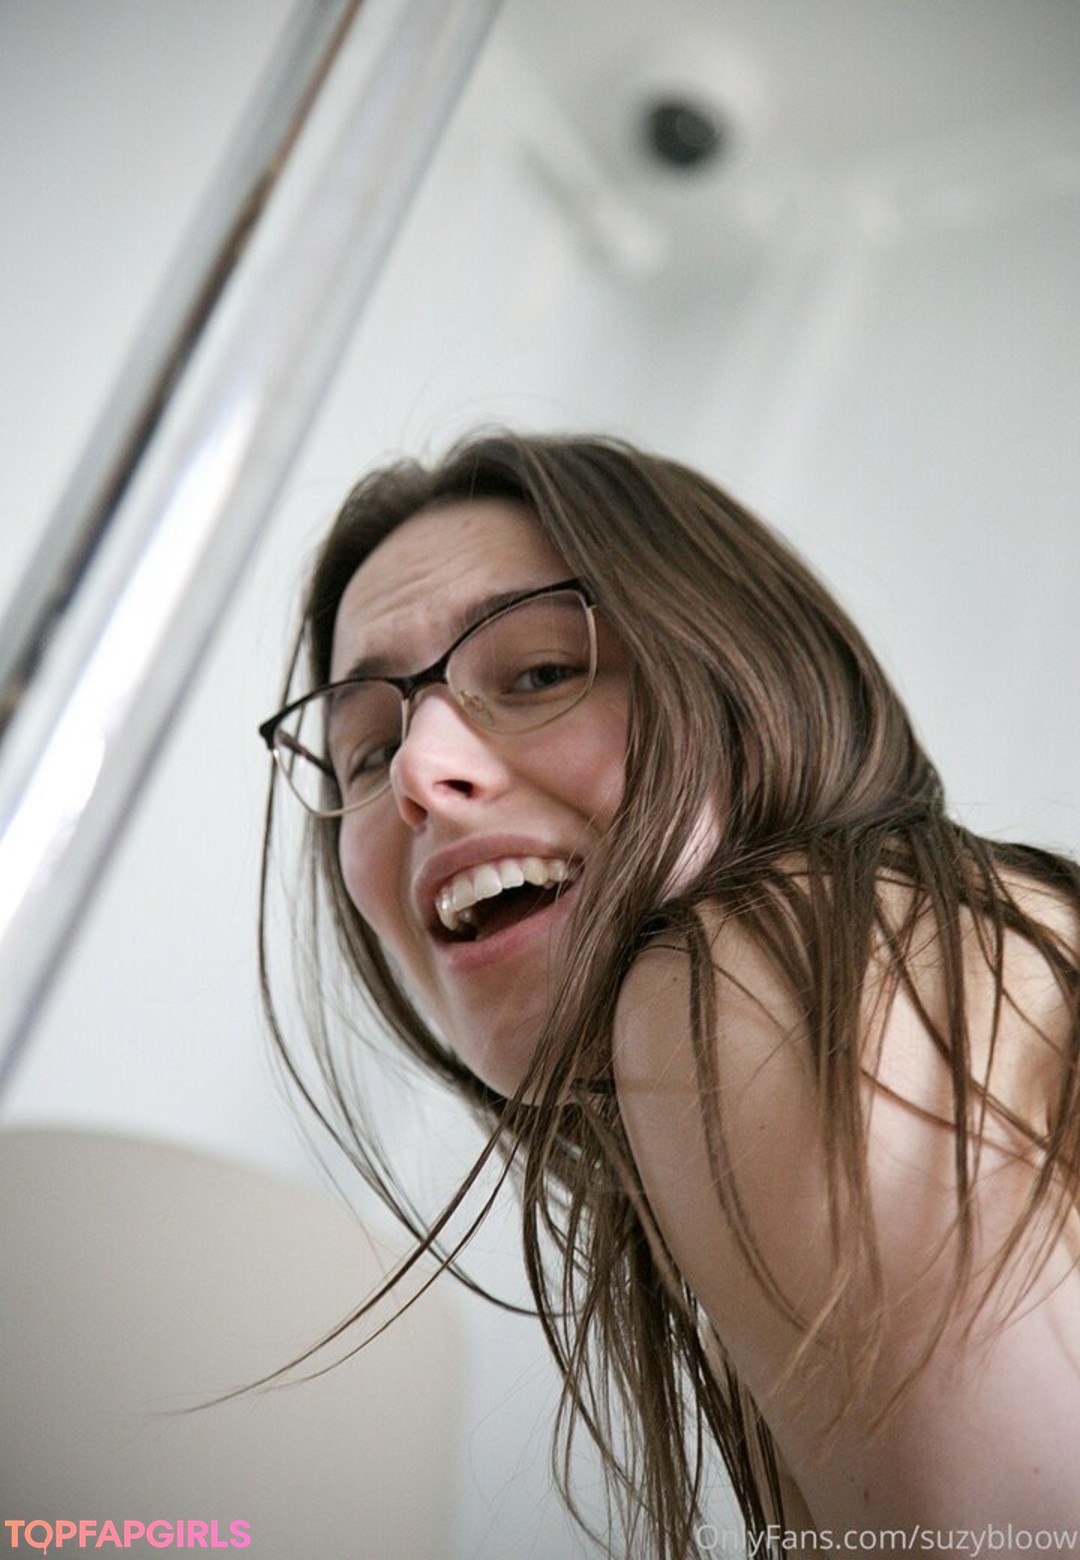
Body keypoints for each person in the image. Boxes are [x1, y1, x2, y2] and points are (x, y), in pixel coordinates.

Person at [258, 431, 1080, 1558]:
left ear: (748, 677)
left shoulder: (749, 970)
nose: (414, 772)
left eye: (541, 673)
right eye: (365, 752)